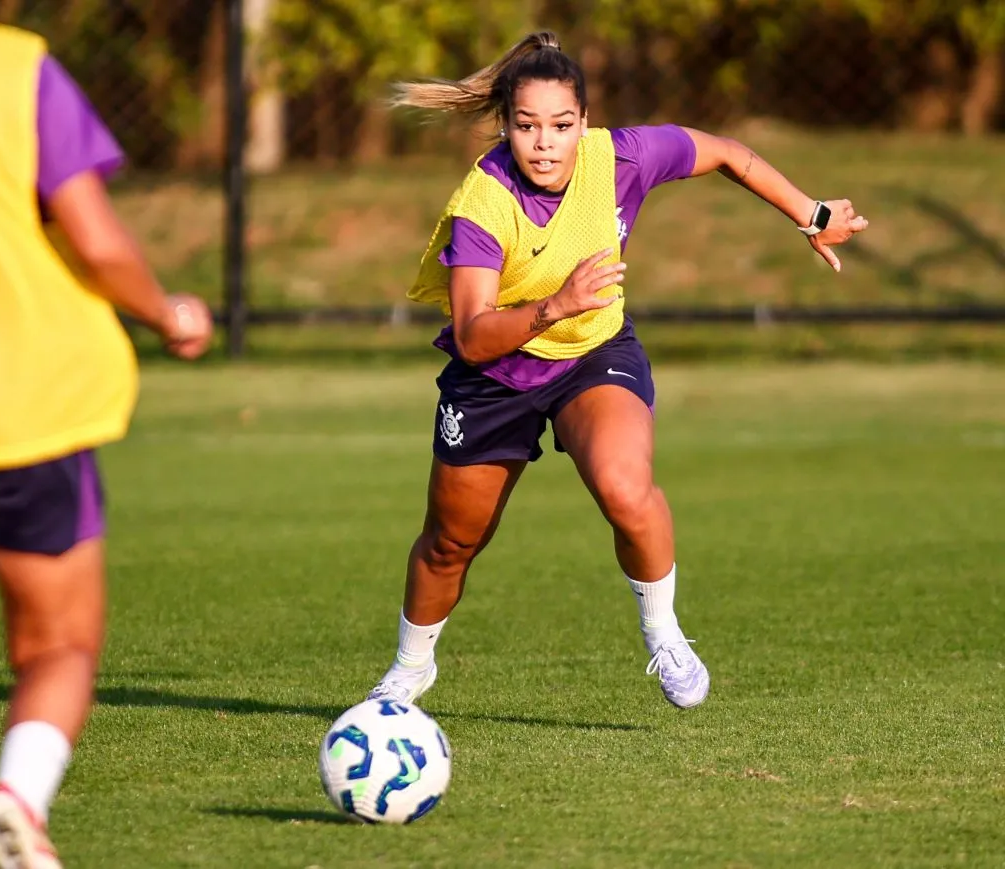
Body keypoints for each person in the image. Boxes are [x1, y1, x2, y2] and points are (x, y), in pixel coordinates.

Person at [366, 31, 867, 711]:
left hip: (592, 352)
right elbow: (475, 337)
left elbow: (725, 153)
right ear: (507, 126)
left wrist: (810, 214)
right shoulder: (481, 204)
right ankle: (410, 667)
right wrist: (553, 304)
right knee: (452, 541)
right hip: (495, 371)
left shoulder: (622, 158)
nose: (545, 142)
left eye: (561, 125)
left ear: (585, 124)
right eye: (527, 125)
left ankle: (663, 633)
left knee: (625, 488)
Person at [0, 21, 213, 869]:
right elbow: (99, 241)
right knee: (56, 646)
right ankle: (16, 801)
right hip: (15, 412)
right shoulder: (13, 68)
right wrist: (167, 312)